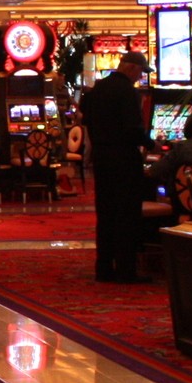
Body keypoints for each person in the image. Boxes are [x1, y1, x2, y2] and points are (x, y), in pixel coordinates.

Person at [79, 52, 151, 283]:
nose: (140, 77)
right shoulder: (128, 92)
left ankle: (104, 267)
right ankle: (125, 270)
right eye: (141, 72)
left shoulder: (97, 89)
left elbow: (86, 119)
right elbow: (132, 129)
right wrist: (153, 144)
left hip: (102, 158)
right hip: (124, 159)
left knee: (106, 213)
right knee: (126, 215)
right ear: (131, 68)